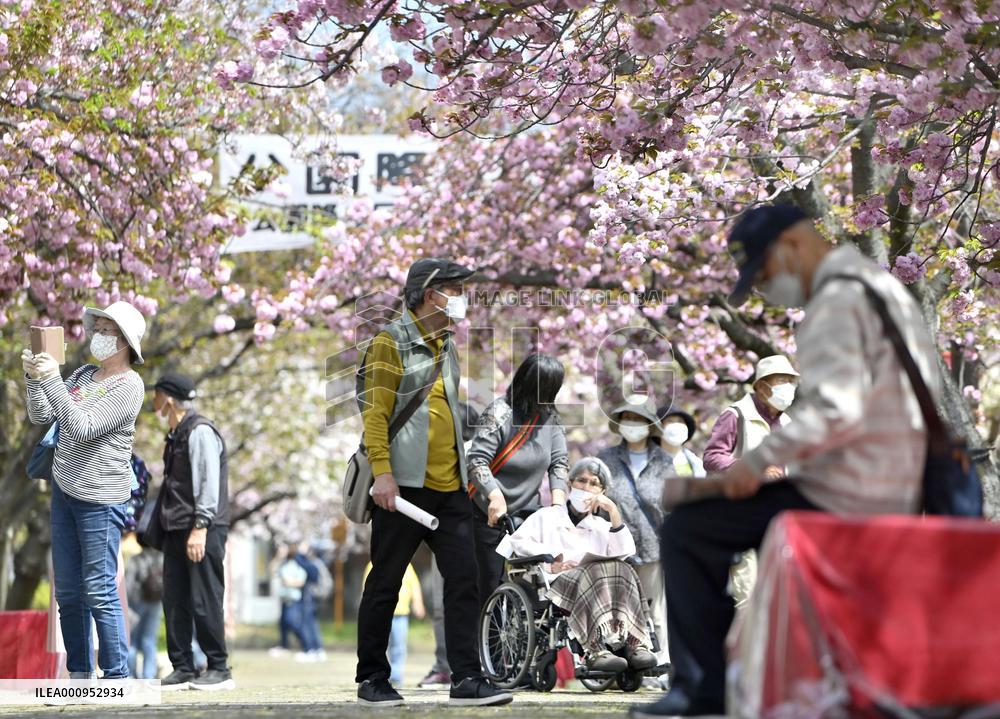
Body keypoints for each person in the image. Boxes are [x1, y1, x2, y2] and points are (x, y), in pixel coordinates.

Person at [631, 205, 944, 718]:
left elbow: (834, 412)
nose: (766, 286)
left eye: (765, 271)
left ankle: (704, 688)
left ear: (791, 246)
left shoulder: (836, 301)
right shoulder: (877, 286)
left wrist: (754, 468)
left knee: (687, 529)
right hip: (895, 477)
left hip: (855, 487)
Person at [355, 258, 512, 707]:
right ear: (430, 295)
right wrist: (383, 474)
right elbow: (376, 414)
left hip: (450, 488)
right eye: (456, 291)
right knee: (386, 582)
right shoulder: (390, 342)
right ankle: (372, 678)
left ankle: (466, 678)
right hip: (403, 487)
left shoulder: (446, 344)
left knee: (464, 580)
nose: (462, 299)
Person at [23, 301, 147, 679]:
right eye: (98, 328)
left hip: (100, 499)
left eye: (107, 331)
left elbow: (82, 427)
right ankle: (79, 674)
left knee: (99, 589)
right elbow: (43, 415)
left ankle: (116, 676)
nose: (98, 336)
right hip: (64, 490)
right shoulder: (82, 374)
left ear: (125, 342)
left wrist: (51, 380)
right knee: (68, 591)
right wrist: (34, 378)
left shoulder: (130, 386)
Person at [501, 457, 658, 673]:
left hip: (599, 584)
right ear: (570, 483)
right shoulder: (546, 516)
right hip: (558, 584)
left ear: (602, 491)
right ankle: (594, 649)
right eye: (581, 481)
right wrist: (552, 558)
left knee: (625, 568)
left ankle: (636, 643)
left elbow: (626, 551)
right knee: (596, 571)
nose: (586, 487)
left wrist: (613, 511)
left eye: (594, 484)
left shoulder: (602, 525)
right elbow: (517, 542)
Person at [152, 371, 234, 691]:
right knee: (174, 599)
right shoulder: (177, 433)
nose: (154, 400)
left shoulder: (199, 431)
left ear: (169, 400)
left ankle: (219, 668)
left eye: (157, 394)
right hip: (176, 528)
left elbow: (207, 482)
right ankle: (183, 667)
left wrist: (200, 526)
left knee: (204, 598)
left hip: (202, 528)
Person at [467, 353, 570, 607]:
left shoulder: (550, 419)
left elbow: (559, 463)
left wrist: (558, 506)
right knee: (490, 585)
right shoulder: (499, 413)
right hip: (488, 514)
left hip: (528, 516)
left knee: (537, 585)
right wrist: (495, 496)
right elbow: (477, 460)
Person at [702, 354, 800, 607]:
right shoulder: (736, 415)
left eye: (791, 381)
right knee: (747, 591)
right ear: (762, 386)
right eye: (782, 381)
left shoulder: (787, 422)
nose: (789, 387)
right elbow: (712, 457)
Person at [598, 401, 673, 677]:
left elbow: (672, 504)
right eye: (626, 418)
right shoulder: (606, 459)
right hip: (615, 547)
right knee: (617, 609)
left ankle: (658, 667)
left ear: (649, 426)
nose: (631, 423)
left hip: (653, 546)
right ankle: (620, 666)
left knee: (655, 610)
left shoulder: (663, 461)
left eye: (638, 419)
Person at [363, 562, 426, 686]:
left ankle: (396, 675)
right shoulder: (373, 564)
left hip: (401, 614)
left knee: (399, 646)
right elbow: (366, 587)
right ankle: (380, 674)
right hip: (381, 614)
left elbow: (414, 585)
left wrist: (418, 602)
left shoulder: (406, 565)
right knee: (380, 645)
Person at [125, 539, 163, 679]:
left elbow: (128, 585)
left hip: (136, 603)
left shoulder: (136, 559)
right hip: (156, 602)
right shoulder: (162, 558)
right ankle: (149, 676)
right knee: (149, 640)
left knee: (132, 641)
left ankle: (131, 674)